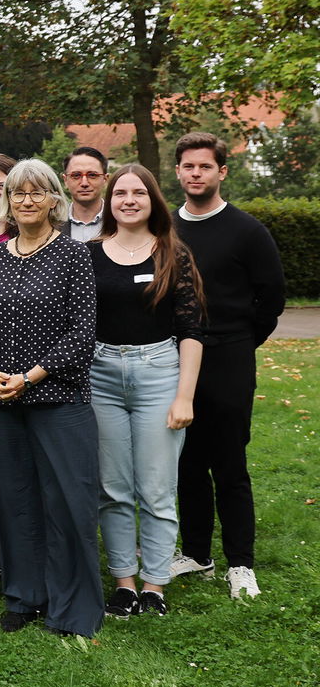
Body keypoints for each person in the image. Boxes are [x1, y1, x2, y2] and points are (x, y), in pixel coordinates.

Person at [0, 158, 101, 637]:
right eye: (17, 193)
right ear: (7, 200)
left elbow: (83, 332)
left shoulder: (72, 255)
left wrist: (31, 376)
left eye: (36, 192)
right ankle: (25, 596)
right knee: (16, 500)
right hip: (0, 401)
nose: (26, 201)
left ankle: (71, 607)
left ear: (52, 200)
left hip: (59, 400)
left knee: (65, 502)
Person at [170, 132, 285, 599]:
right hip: (172, 359)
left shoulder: (247, 231)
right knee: (186, 462)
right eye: (188, 166)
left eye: (204, 166)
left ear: (222, 172)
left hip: (229, 357)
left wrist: (237, 343)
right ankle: (197, 554)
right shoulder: (166, 229)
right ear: (177, 171)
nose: (196, 173)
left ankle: (241, 564)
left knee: (229, 463)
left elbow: (271, 301)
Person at [90, 163, 204, 617]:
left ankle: (154, 583)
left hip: (159, 372)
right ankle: (124, 582)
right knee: (113, 488)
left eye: (139, 192)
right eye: (120, 193)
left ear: (153, 200)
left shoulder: (173, 253)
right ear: (109, 201)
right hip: (101, 375)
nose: (129, 200)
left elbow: (192, 329)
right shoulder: (90, 254)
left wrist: (184, 395)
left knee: (156, 488)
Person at [64, 146, 108, 242]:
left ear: (105, 179)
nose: (84, 183)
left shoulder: (120, 221)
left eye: (92, 175)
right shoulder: (50, 224)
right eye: (76, 175)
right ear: (65, 180)